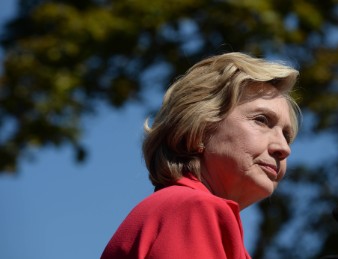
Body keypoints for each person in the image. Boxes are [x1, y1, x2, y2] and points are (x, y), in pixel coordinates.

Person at [101, 52, 301, 259]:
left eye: (287, 135)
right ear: (199, 130)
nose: (284, 148)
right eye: (261, 120)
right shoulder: (191, 208)